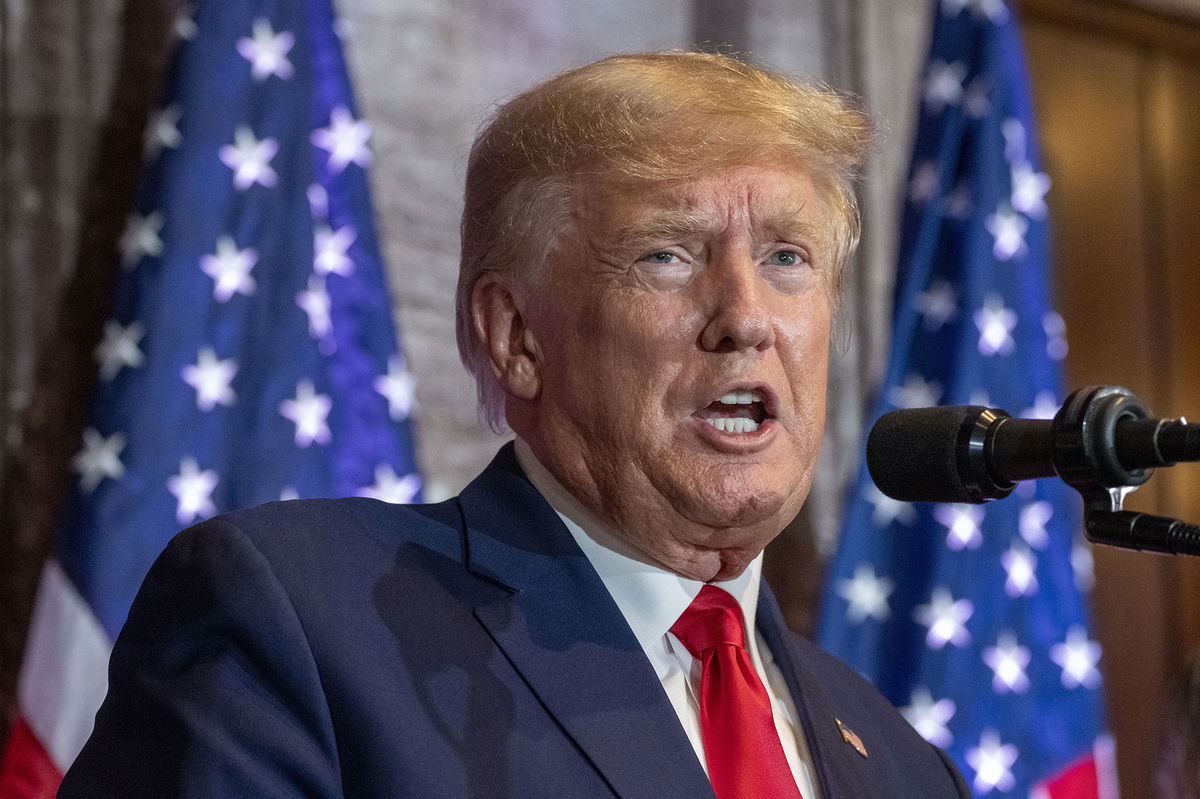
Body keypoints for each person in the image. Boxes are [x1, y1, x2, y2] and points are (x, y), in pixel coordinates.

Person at [60, 52, 969, 797]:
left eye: (787, 257)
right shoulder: (301, 621)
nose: (746, 314)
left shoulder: (901, 761)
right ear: (516, 335)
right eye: (667, 253)